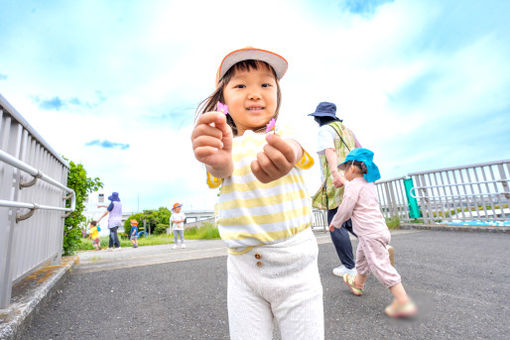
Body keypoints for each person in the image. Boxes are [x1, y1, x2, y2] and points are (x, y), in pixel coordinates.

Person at [191, 47, 323, 339]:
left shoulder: (285, 132)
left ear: (277, 95)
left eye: (266, 84)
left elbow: (296, 148)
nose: (254, 93)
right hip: (242, 266)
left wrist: (287, 155)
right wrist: (217, 161)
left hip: (295, 264)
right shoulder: (224, 144)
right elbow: (220, 171)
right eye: (240, 86)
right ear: (223, 100)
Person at [329, 148, 417, 318]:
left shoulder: (353, 186)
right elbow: (354, 190)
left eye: (344, 169)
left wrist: (335, 223)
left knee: (380, 266)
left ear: (353, 168)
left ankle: (403, 302)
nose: (344, 173)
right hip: (378, 231)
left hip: (369, 233)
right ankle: (358, 284)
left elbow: (346, 208)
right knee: (361, 258)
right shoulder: (368, 184)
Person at [309, 102, 362, 277]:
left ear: (318, 117)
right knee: (350, 220)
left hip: (338, 181)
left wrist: (334, 173)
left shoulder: (325, 130)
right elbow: (361, 150)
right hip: (354, 177)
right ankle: (379, 247)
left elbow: (330, 151)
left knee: (335, 223)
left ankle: (349, 267)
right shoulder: (347, 130)